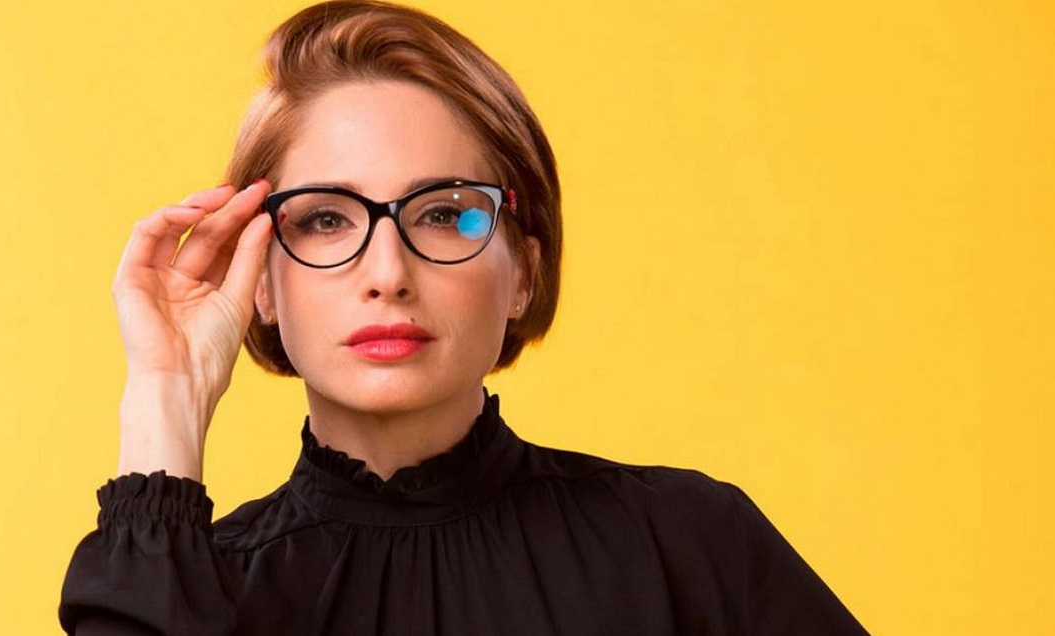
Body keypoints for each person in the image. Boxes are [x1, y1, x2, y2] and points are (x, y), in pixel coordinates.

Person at [59, 1, 869, 634]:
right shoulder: (204, 591)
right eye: (327, 219)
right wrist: (166, 396)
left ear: (524, 272)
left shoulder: (687, 544)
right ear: (260, 281)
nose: (388, 275)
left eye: (446, 214)